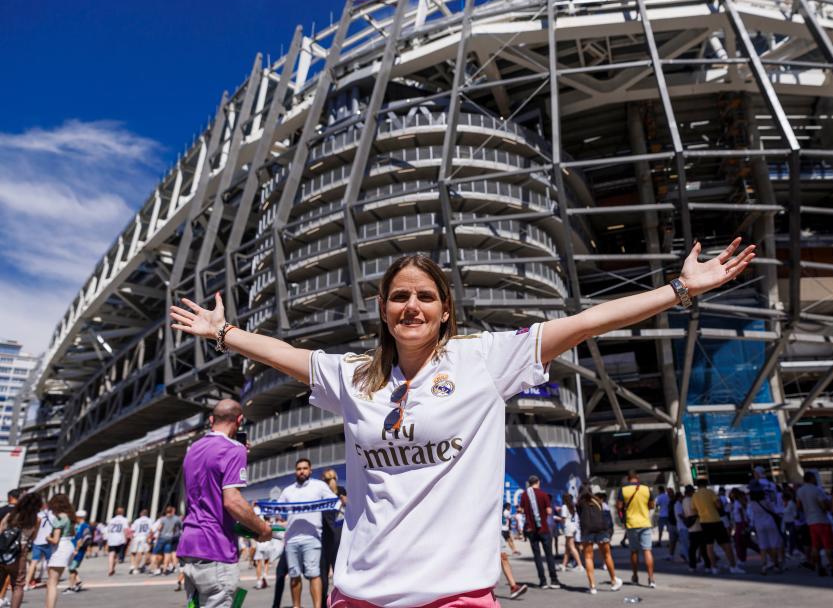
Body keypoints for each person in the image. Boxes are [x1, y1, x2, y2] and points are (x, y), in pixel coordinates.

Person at [169, 239, 754, 606]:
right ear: (383, 308)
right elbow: (282, 355)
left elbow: (585, 322)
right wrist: (223, 333)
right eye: (400, 296)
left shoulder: (484, 360)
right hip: (360, 593)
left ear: (445, 308)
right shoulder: (353, 375)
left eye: (425, 295)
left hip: (456, 595)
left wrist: (679, 289)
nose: (412, 306)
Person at [177, 399, 273, 608]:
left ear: (212, 420)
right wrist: (262, 528)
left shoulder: (192, 449)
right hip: (215, 548)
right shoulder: (233, 449)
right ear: (239, 420)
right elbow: (232, 501)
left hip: (189, 547)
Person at [277, 458, 335, 608]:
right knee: (294, 575)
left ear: (310, 470)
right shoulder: (288, 491)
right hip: (291, 539)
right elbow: (277, 509)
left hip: (313, 537)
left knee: (314, 574)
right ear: (295, 472)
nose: (301, 471)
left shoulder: (319, 486)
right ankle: (297, 606)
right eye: (299, 469)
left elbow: (333, 501)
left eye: (304, 468)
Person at [691, 480, 744, 574]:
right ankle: (733, 566)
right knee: (726, 544)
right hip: (715, 520)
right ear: (706, 485)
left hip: (704, 522)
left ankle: (714, 567)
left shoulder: (694, 496)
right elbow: (718, 504)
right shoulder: (710, 492)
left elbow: (694, 510)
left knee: (709, 546)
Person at [0, 492, 43, 608]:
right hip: (20, 552)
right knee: (18, 585)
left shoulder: (11, 514)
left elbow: (1, 529)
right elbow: (33, 538)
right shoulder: (36, 519)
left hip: (2, 550)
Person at [519, 475, 562, 589]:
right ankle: (554, 580)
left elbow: (521, 509)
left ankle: (542, 581)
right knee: (549, 555)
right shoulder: (543, 494)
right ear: (538, 482)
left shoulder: (524, 495)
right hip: (543, 528)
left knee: (537, 556)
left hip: (531, 530)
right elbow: (548, 510)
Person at [577, 487, 623, 593]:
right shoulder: (598, 501)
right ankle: (613, 581)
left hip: (587, 530)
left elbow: (578, 516)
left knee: (588, 557)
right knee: (607, 555)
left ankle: (592, 586)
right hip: (601, 529)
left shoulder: (579, 503)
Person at [618, 471, 654, 587]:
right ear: (637, 478)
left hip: (631, 524)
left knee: (634, 551)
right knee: (647, 551)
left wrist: (622, 517)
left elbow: (619, 507)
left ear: (628, 479)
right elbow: (652, 505)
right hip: (645, 523)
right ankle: (651, 579)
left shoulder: (623, 490)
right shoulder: (646, 489)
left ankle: (635, 576)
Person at [44, 494, 76, 608]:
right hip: (68, 545)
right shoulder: (69, 516)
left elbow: (55, 540)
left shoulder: (60, 518)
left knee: (52, 582)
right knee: (53, 581)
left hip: (60, 548)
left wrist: (48, 538)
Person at [320, 468, 345, 608]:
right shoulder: (341, 491)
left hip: (328, 534)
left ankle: (325, 603)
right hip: (338, 534)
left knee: (324, 573)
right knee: (338, 571)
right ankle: (338, 602)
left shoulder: (325, 493)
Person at [25, 502, 54, 589]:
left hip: (37, 541)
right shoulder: (53, 515)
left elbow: (34, 528)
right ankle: (52, 581)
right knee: (49, 562)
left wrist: (32, 537)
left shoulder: (38, 515)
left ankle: (26, 584)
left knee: (33, 562)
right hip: (48, 541)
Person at [151, 506, 182, 575]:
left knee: (156, 553)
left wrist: (155, 535)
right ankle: (165, 569)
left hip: (162, 537)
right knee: (167, 553)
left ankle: (154, 568)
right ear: (172, 511)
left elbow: (159, 528)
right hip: (170, 538)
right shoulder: (176, 519)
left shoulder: (163, 519)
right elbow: (180, 527)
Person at [558, 494, 583, 572]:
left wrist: (557, 518)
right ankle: (564, 564)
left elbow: (563, 519)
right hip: (573, 527)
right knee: (567, 547)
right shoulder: (573, 506)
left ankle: (580, 565)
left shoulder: (564, 507)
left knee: (571, 547)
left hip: (568, 527)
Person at [105, 507, 129, 576]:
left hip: (112, 539)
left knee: (111, 554)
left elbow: (108, 530)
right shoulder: (124, 520)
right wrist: (126, 539)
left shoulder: (111, 520)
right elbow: (125, 530)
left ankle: (110, 569)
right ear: (123, 512)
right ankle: (113, 568)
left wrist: (107, 540)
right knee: (117, 555)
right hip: (120, 539)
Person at [128, 509, 152, 574]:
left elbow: (132, 530)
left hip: (137, 537)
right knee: (142, 553)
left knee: (133, 552)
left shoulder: (137, 521)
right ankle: (138, 567)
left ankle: (133, 566)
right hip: (145, 537)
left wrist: (131, 538)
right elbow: (151, 530)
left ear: (141, 514)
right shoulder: (149, 520)